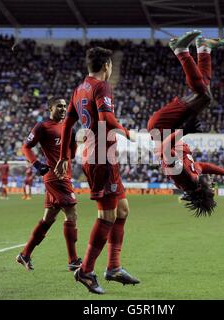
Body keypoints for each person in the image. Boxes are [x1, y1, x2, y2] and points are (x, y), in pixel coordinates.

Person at [55, 47, 139, 294]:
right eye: (110, 65)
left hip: (98, 155)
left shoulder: (80, 88)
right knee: (107, 217)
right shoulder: (101, 87)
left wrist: (64, 157)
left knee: (122, 210)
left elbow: (67, 124)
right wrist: (130, 133)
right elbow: (106, 120)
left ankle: (113, 267)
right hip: (101, 157)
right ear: (106, 66)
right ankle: (86, 271)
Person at [147, 30, 224, 217]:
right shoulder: (194, 178)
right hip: (167, 127)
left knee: (203, 96)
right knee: (205, 94)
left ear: (203, 193)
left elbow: (164, 151)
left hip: (161, 128)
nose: (211, 186)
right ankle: (204, 48)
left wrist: (183, 131)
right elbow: (204, 165)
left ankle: (181, 51)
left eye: (211, 191)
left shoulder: (183, 177)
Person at [17, 97, 81, 272]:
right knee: (72, 214)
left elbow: (72, 155)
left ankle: (25, 254)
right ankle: (73, 260)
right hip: (55, 177)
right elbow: (26, 147)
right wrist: (37, 165)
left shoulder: (68, 127)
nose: (62, 109)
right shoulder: (43, 126)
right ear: (50, 109)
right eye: (58, 106)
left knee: (48, 219)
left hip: (63, 176)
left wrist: (74, 140)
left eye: (64, 106)